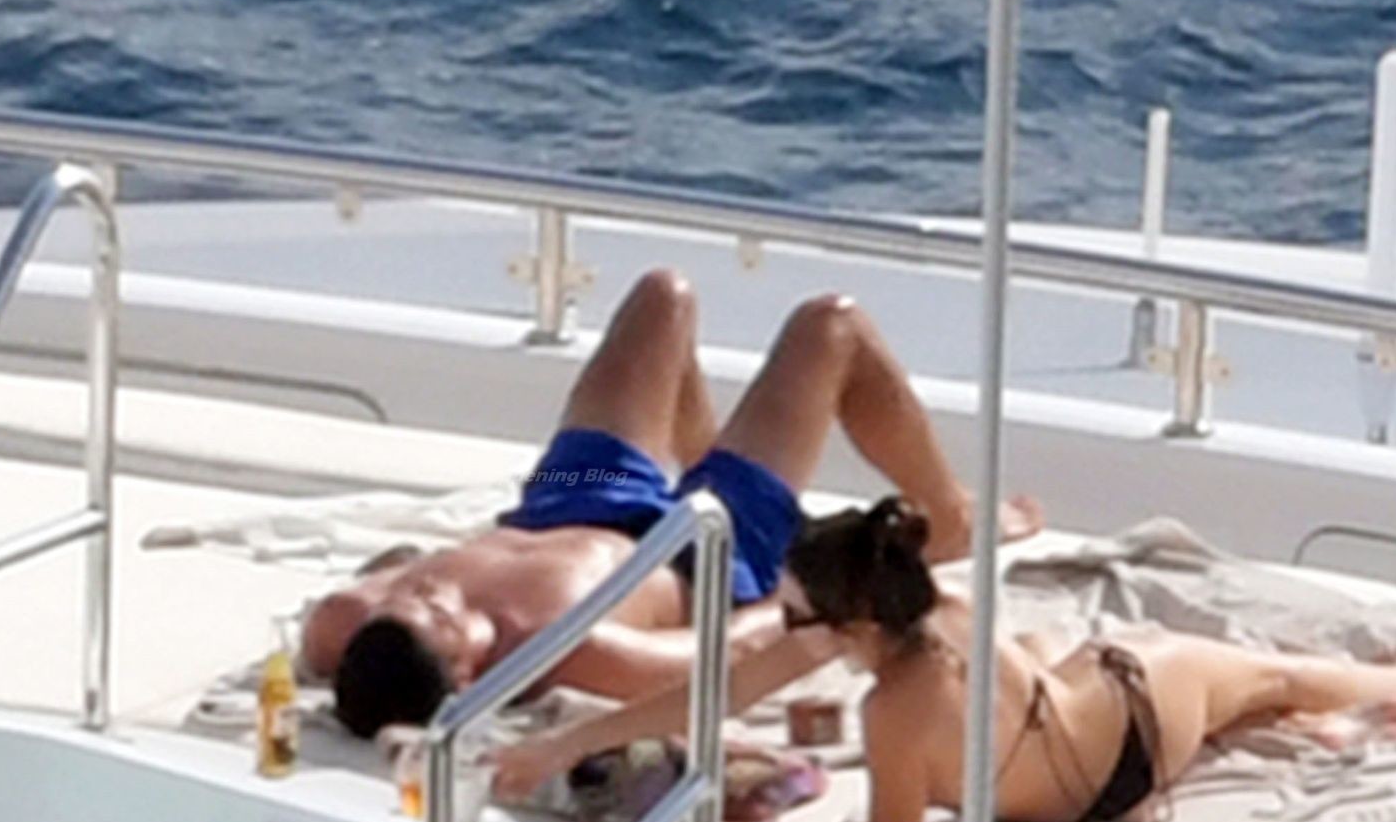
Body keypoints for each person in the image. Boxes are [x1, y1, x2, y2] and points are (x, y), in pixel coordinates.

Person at [491, 497, 1396, 822]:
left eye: (797, 614)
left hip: (1114, 745)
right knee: (1251, 672)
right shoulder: (936, 610)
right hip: (1122, 720)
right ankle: (1352, 703)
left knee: (1239, 671)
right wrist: (563, 744)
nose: (785, 627)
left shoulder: (891, 710)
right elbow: (727, 688)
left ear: (849, 626)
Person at [303, 269, 1042, 739]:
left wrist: (404, 594)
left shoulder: (347, 622)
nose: (426, 591)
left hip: (570, 493)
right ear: (467, 675)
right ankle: (948, 518)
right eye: (437, 616)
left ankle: (708, 460)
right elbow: (726, 653)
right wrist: (810, 591)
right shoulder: (568, 651)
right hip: (701, 546)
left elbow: (385, 599)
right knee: (830, 325)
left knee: (663, 299)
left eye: (404, 599)